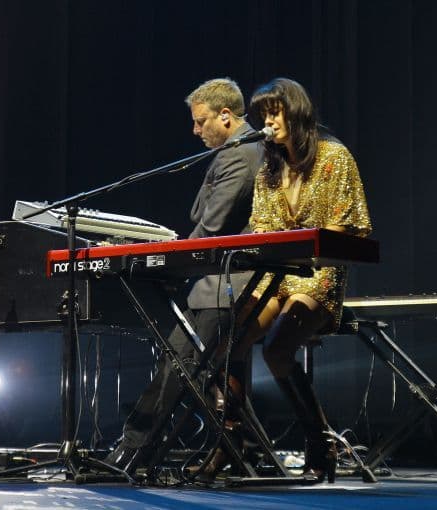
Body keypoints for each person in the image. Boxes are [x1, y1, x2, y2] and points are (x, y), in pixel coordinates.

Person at [103, 78, 264, 472]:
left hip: (227, 283)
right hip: (217, 281)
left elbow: (210, 229)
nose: (195, 130)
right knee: (194, 366)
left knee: (182, 362)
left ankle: (133, 451)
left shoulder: (240, 155)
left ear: (225, 116)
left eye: (200, 121)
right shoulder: (236, 151)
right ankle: (243, 448)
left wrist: (162, 258)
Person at [224, 77, 372, 483]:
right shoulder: (269, 171)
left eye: (275, 112)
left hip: (319, 274)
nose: (268, 122)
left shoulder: (334, 156)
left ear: (296, 111)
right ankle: (232, 443)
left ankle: (319, 441)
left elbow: (346, 225)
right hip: (278, 274)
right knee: (226, 339)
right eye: (263, 115)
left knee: (277, 348)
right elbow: (260, 226)